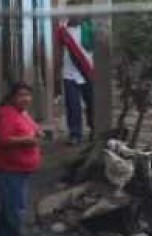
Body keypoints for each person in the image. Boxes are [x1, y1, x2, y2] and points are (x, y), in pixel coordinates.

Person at [0, 81, 41, 236]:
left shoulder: (22, 113)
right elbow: (2, 139)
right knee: (16, 205)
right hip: (9, 167)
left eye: (27, 95)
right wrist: (27, 140)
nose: (25, 99)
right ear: (12, 98)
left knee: (9, 203)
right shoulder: (7, 115)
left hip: (20, 167)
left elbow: (34, 128)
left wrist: (37, 132)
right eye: (21, 95)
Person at [56, 14, 95, 144]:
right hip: (69, 73)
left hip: (89, 71)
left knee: (92, 103)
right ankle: (75, 134)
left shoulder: (90, 29)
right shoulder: (63, 31)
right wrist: (57, 70)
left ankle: (94, 130)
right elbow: (59, 50)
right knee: (73, 105)